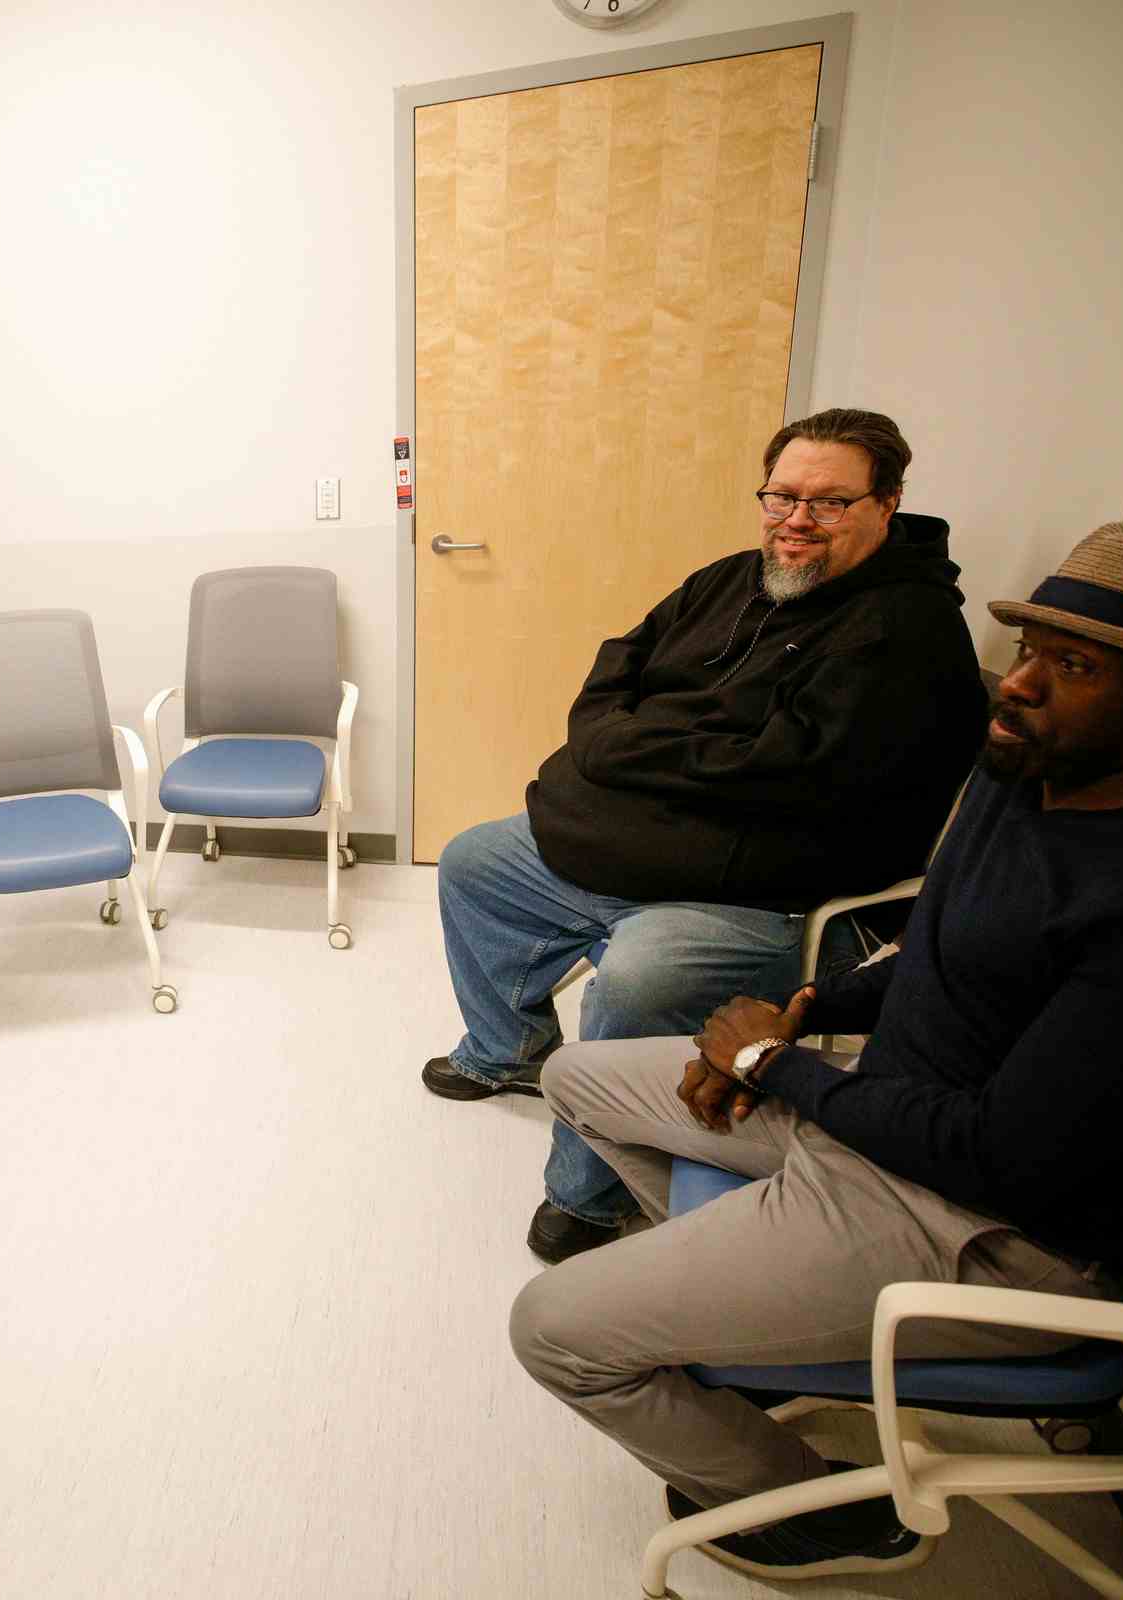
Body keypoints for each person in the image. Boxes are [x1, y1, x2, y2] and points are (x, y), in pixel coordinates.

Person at [509, 524, 1123, 1580]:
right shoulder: (1039, 764)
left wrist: (770, 1070)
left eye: (1072, 666)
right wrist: (806, 1002)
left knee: (553, 1325)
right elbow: (950, 938)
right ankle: (748, 1341)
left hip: (976, 1223)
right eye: (1027, 647)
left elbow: (1004, 1157)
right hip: (883, 1116)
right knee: (578, 1074)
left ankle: (810, 1513)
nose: (1016, 686)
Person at [423, 409, 989, 1263]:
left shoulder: (908, 635)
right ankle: (509, 1051)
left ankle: (591, 1193)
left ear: (888, 505)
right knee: (475, 862)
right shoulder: (729, 579)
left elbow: (785, 773)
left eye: (830, 504)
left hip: (763, 889)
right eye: (782, 497)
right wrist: (639, 749)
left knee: (638, 980)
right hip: (642, 837)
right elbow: (614, 676)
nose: (797, 521)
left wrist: (630, 750)